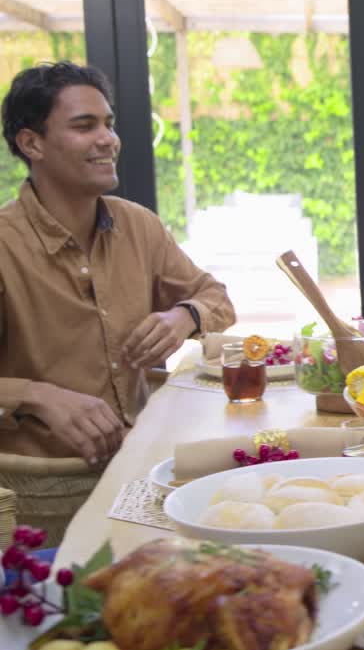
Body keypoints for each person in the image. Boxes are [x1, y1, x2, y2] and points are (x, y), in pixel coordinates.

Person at [0, 62, 235, 467]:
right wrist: (38, 396)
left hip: (143, 459)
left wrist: (184, 316)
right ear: (32, 144)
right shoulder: (6, 245)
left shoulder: (138, 225)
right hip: (40, 483)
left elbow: (216, 297)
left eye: (109, 124)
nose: (108, 139)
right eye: (84, 126)